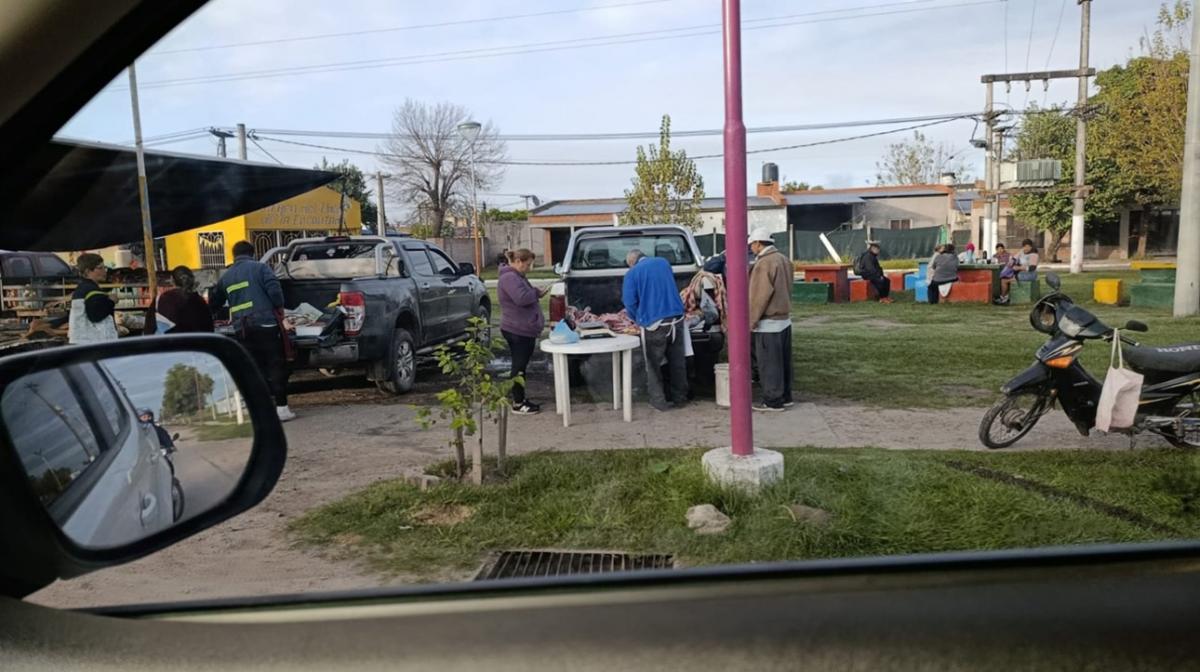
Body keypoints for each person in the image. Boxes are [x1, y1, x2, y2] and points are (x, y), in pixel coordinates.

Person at [209, 241, 295, 422]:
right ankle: (282, 408)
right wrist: (280, 309)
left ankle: (263, 410)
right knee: (275, 364)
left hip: (242, 329)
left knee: (255, 368)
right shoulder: (261, 268)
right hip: (266, 324)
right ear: (253, 253)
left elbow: (215, 302)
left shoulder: (226, 277)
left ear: (234, 256)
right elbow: (274, 290)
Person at [622, 248, 688, 412]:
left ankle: (659, 401)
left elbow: (629, 302)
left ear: (631, 262)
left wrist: (638, 319)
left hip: (654, 324)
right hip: (677, 319)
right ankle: (680, 398)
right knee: (677, 362)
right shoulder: (663, 263)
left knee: (653, 365)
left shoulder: (632, 274)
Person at [747, 227, 794, 412]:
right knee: (784, 363)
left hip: (768, 322)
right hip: (785, 319)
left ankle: (773, 401)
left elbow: (759, 296)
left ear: (758, 243)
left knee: (769, 364)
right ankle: (786, 396)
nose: (751, 247)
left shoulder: (763, 264)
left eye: (752, 244)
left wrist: (751, 320)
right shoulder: (783, 259)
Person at [498, 248, 546, 415]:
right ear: (518, 261)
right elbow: (522, 298)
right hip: (517, 329)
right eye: (528, 264)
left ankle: (520, 399)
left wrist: (536, 293)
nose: (529, 268)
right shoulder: (510, 277)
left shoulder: (517, 276)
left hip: (522, 327)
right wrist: (536, 293)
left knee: (520, 366)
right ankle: (518, 403)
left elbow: (524, 294)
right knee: (519, 367)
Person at [68, 252, 118, 344]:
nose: (104, 271)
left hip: (81, 340)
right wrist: (111, 301)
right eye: (100, 268)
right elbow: (96, 315)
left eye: (105, 267)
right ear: (88, 271)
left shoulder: (82, 288)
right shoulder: (92, 291)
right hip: (94, 341)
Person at [156, 266, 214, 334]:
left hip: (171, 340)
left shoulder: (163, 298)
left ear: (172, 280)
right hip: (199, 340)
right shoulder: (200, 301)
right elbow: (210, 329)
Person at [996, 239, 1040, 305]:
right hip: (1020, 272)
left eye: (1028, 246)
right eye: (1024, 246)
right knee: (1004, 278)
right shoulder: (1022, 251)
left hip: (1030, 274)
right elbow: (1014, 258)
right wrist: (1011, 262)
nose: (1026, 248)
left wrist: (1019, 268)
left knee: (1005, 280)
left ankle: (1004, 298)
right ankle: (1004, 297)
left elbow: (1032, 268)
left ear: (1031, 247)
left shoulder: (1034, 254)